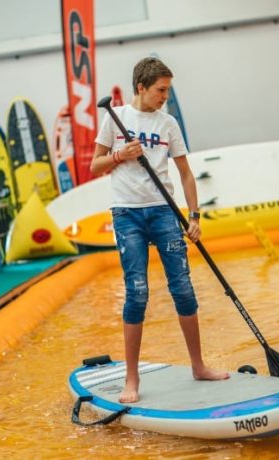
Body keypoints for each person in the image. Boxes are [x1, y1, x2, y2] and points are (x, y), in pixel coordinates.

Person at [90, 57, 229, 404]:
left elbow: (185, 174)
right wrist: (121, 155)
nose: (165, 96)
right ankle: (131, 379)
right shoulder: (114, 117)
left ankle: (198, 366)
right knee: (137, 293)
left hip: (165, 212)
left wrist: (194, 216)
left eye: (167, 90)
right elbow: (95, 165)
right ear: (141, 87)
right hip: (127, 214)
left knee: (183, 289)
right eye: (160, 90)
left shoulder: (168, 124)